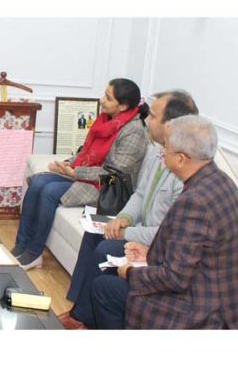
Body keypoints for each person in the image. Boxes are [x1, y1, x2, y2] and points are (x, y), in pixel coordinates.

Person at [89, 115, 238, 329]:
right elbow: (198, 252)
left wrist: (129, 272)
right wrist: (150, 254)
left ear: (181, 158)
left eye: (166, 148)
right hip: (225, 300)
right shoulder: (222, 183)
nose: (161, 153)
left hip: (200, 310)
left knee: (103, 288)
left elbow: (174, 278)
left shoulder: (194, 201)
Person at [59, 90, 199, 329]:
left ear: (170, 126)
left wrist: (125, 232)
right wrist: (124, 217)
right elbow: (140, 193)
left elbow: (164, 233)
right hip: (138, 227)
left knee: (106, 246)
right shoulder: (157, 152)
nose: (146, 120)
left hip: (155, 242)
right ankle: (79, 310)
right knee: (94, 232)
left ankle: (84, 318)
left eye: (153, 116)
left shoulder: (184, 170)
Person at [13, 78, 149, 270]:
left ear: (123, 105)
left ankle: (34, 252)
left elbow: (114, 174)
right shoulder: (107, 119)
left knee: (49, 190)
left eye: (108, 98)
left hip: (110, 184)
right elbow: (86, 151)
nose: (102, 100)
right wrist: (67, 165)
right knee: (38, 182)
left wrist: (76, 172)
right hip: (90, 175)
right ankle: (21, 244)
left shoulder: (134, 132)